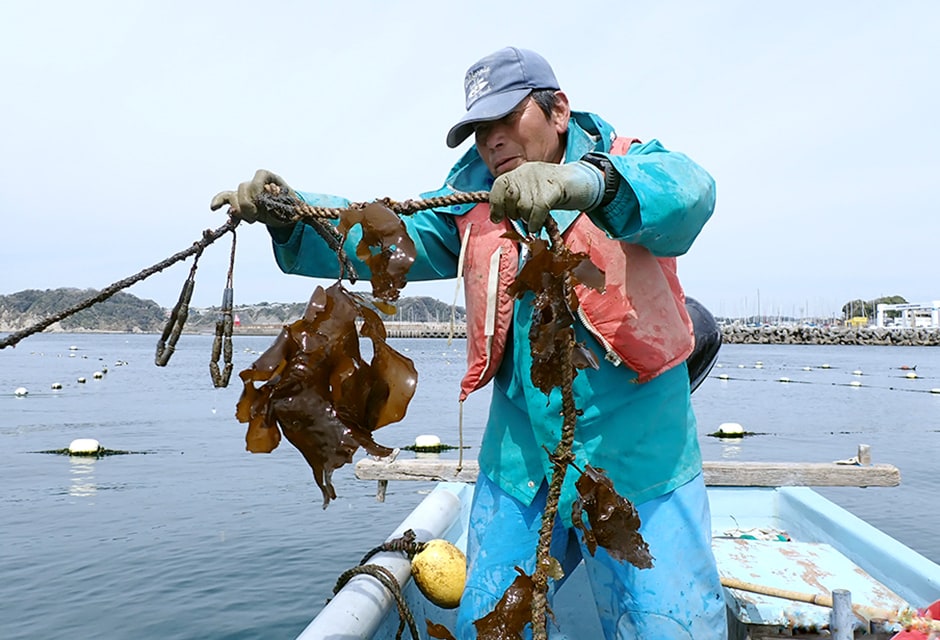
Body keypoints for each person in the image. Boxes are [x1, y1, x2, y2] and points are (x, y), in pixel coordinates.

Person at [211, 46, 727, 639]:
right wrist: (291, 214)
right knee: (492, 621)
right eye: (481, 130)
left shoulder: (626, 163)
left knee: (669, 624)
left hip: (645, 458)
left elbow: (691, 193)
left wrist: (585, 184)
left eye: (508, 119)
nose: (493, 141)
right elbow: (380, 231)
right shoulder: (469, 206)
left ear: (558, 111)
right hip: (519, 461)